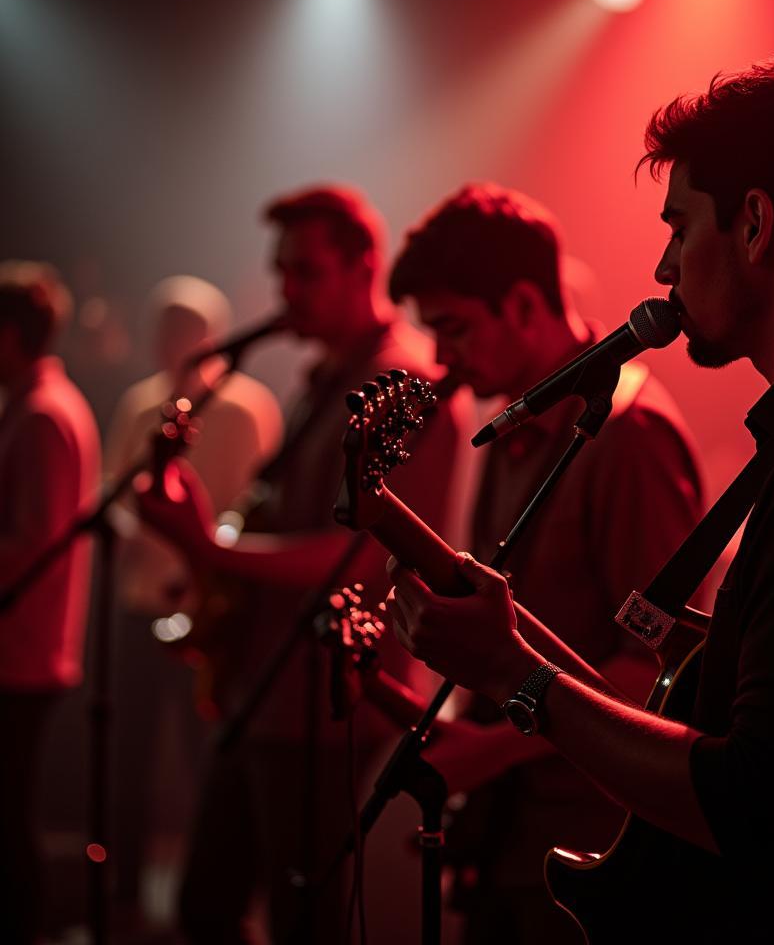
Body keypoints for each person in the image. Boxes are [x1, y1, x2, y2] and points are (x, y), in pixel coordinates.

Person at [386, 54, 774, 943]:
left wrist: (514, 675)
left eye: (680, 228)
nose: (662, 264)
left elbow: (768, 805)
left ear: (756, 224)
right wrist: (510, 644)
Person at [136, 186, 459, 944]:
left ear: (363, 268)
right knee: (206, 906)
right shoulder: (324, 378)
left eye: (306, 272)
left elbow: (362, 557)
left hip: (325, 706)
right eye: (280, 272)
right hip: (266, 692)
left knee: (301, 922)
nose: (286, 291)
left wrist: (209, 548)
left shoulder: (402, 386)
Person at [387, 182, 705, 942]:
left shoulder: (629, 439)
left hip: (587, 847)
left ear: (526, 305)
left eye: (454, 328)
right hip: (512, 841)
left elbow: (662, 677)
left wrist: (484, 755)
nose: (441, 359)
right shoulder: (515, 420)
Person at [104, 275, 283, 920]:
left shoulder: (247, 407)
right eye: (164, 328)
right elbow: (114, 494)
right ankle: (124, 893)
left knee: (207, 756)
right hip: (140, 602)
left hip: (212, 613)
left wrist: (203, 560)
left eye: (185, 329)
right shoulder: (138, 403)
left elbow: (261, 506)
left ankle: (219, 899)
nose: (172, 342)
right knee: (129, 748)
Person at [0, 261, 101, 945]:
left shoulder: (41, 414)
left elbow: (32, 543)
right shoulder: (40, 406)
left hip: (19, 649)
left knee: (8, 818)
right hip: (25, 645)